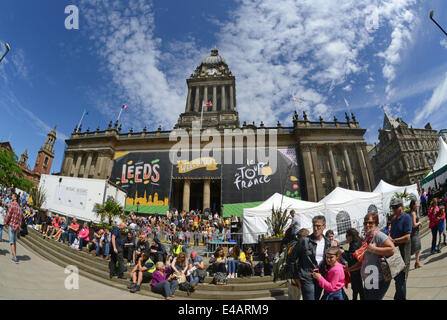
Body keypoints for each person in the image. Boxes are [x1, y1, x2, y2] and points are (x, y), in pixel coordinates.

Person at [346, 212, 395, 300]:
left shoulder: (379, 235)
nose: (367, 225)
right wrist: (348, 269)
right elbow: (363, 261)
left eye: (370, 222)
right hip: (369, 278)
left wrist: (375, 249)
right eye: (365, 223)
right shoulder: (367, 238)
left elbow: (392, 249)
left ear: (376, 224)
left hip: (378, 278)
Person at [288, 215, 331, 300]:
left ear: (324, 227)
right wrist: (296, 277)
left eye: (318, 226)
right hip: (306, 277)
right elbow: (291, 259)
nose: (315, 228)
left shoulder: (327, 242)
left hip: (320, 276)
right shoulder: (304, 241)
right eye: (314, 226)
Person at [389, 197, 412, 300]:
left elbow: (407, 237)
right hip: (394, 252)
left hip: (403, 252)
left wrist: (394, 241)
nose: (393, 209)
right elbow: (392, 233)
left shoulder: (406, 217)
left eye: (395, 207)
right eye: (392, 207)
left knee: (401, 279)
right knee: (397, 278)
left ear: (401, 207)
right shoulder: (394, 219)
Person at [341, 228, 364, 300]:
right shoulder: (356, 241)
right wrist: (344, 251)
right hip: (357, 267)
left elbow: (350, 258)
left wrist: (342, 252)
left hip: (355, 268)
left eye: (347, 236)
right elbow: (351, 253)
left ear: (351, 236)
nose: (346, 237)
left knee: (357, 287)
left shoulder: (355, 244)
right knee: (358, 287)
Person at [4, 193, 22, 263]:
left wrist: (5, 222)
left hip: (11, 225)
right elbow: (20, 219)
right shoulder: (19, 207)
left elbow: (8, 214)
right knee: (14, 242)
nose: (11, 196)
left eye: (12, 195)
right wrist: (19, 229)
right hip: (16, 227)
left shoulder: (12, 204)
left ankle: (15, 258)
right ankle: (14, 255)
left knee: (11, 242)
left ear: (15, 198)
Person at [409, 199, 422, 269]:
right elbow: (413, 225)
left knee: (418, 248)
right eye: (416, 203)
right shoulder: (413, 213)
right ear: (413, 205)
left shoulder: (414, 212)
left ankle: (417, 262)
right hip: (414, 233)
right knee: (416, 248)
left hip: (415, 232)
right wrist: (419, 223)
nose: (417, 204)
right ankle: (416, 263)